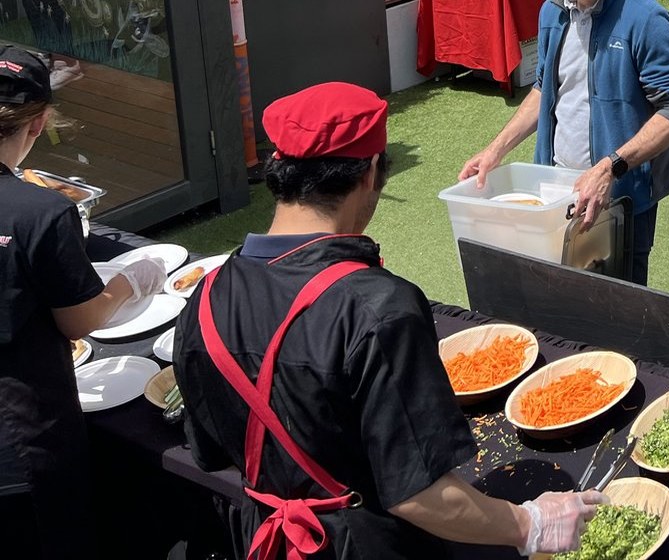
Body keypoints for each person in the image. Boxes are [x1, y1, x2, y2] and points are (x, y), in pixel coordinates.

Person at [173, 82, 607, 560]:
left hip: (262, 541)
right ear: (371, 173)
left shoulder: (205, 297)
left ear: (279, 172)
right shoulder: (376, 308)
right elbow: (419, 496)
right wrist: (531, 523)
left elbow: (210, 450)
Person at [0, 46, 166, 557]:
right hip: (22, 443)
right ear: (39, 122)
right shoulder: (39, 212)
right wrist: (132, 281)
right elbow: (80, 320)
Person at [459, 0, 669, 286]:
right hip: (556, 196)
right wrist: (496, 149)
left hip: (619, 201)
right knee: (554, 305)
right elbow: (545, 86)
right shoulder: (552, 12)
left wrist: (611, 168)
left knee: (617, 315)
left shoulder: (646, 19)